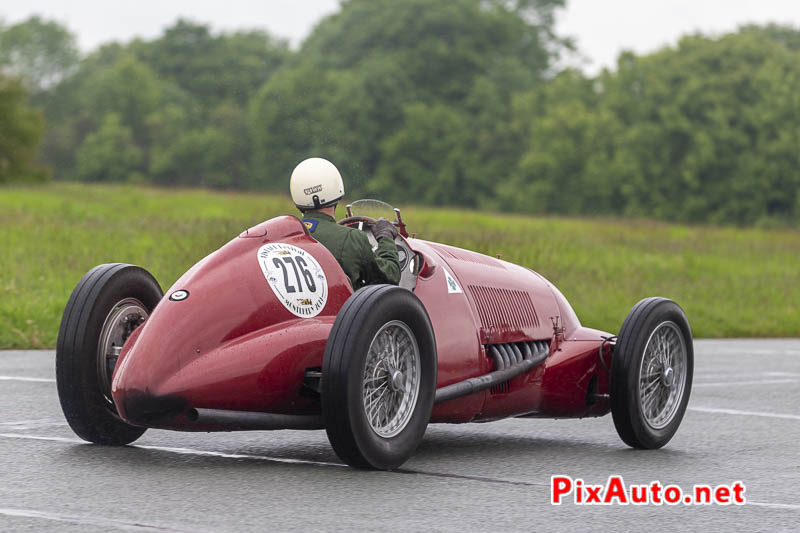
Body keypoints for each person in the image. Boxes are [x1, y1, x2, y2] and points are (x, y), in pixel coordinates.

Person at [289, 157, 400, 289]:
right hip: (343, 309)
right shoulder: (352, 239)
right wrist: (386, 238)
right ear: (335, 188)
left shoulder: (286, 237)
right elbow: (390, 276)